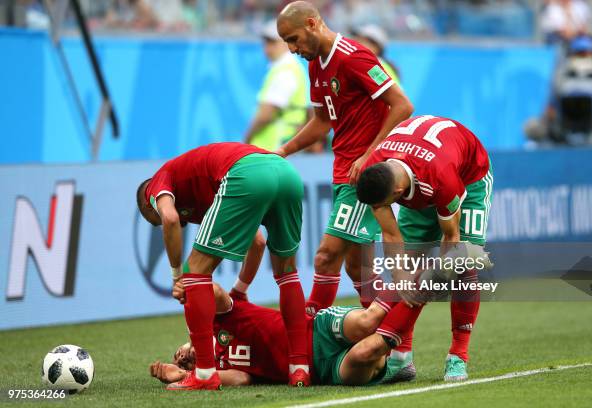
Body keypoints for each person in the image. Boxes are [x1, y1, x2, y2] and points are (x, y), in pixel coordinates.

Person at [274, 1, 413, 322]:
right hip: (343, 171)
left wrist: (370, 155)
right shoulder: (315, 65)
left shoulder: (354, 56)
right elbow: (322, 122)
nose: (292, 49)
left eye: (293, 39)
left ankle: (304, 339)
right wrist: (283, 151)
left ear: (312, 23)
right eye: (286, 43)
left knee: (325, 258)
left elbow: (402, 105)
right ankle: (393, 339)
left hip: (365, 175)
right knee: (356, 267)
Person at [136, 142, 310, 390]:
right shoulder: (208, 191)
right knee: (287, 273)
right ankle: (299, 368)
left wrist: (177, 277)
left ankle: (205, 375)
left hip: (247, 172)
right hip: (286, 173)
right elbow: (257, 242)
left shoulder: (155, 186)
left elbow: (171, 219)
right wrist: (240, 289)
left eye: (154, 220)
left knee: (194, 271)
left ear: (148, 204)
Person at [356, 115, 493, 381]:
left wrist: (436, 279)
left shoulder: (441, 179)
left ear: (397, 191)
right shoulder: (374, 169)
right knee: (405, 264)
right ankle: (401, 357)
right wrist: (400, 275)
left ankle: (458, 356)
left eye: (384, 204)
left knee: (462, 262)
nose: (381, 210)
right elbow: (390, 232)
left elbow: (451, 239)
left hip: (468, 178)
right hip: (423, 177)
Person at [150, 281, 415, 386]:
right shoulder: (218, 367)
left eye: (180, 353)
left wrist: (192, 288)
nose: (184, 357)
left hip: (317, 330)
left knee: (369, 322)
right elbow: (241, 379)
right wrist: (187, 375)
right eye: (184, 361)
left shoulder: (220, 320)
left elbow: (216, 293)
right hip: (325, 371)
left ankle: (418, 276)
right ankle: (398, 359)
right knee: (366, 352)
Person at [244, 20, 310, 152]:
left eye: (273, 42)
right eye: (266, 42)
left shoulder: (285, 71)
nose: (267, 48)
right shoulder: (286, 68)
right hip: (280, 148)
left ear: (287, 43)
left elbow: (266, 114)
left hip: (276, 148)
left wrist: (247, 138)